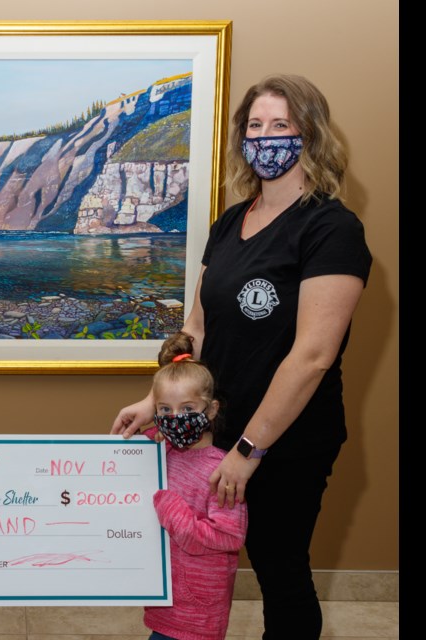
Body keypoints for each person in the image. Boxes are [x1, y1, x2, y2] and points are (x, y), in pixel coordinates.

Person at [111, 74, 371, 638]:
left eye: (281, 125)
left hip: (285, 441)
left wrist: (250, 450)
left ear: (311, 136)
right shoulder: (231, 222)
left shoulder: (333, 228)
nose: (265, 137)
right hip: (215, 431)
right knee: (198, 565)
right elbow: (197, 329)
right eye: (256, 126)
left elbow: (313, 356)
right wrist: (155, 402)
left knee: (280, 574)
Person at [142, 332, 247, 640]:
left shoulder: (222, 470)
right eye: (165, 410)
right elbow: (129, 459)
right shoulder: (163, 452)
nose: (176, 418)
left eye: (188, 409)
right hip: (163, 598)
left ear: (211, 410)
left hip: (199, 609)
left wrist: (173, 511)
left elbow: (228, 535)